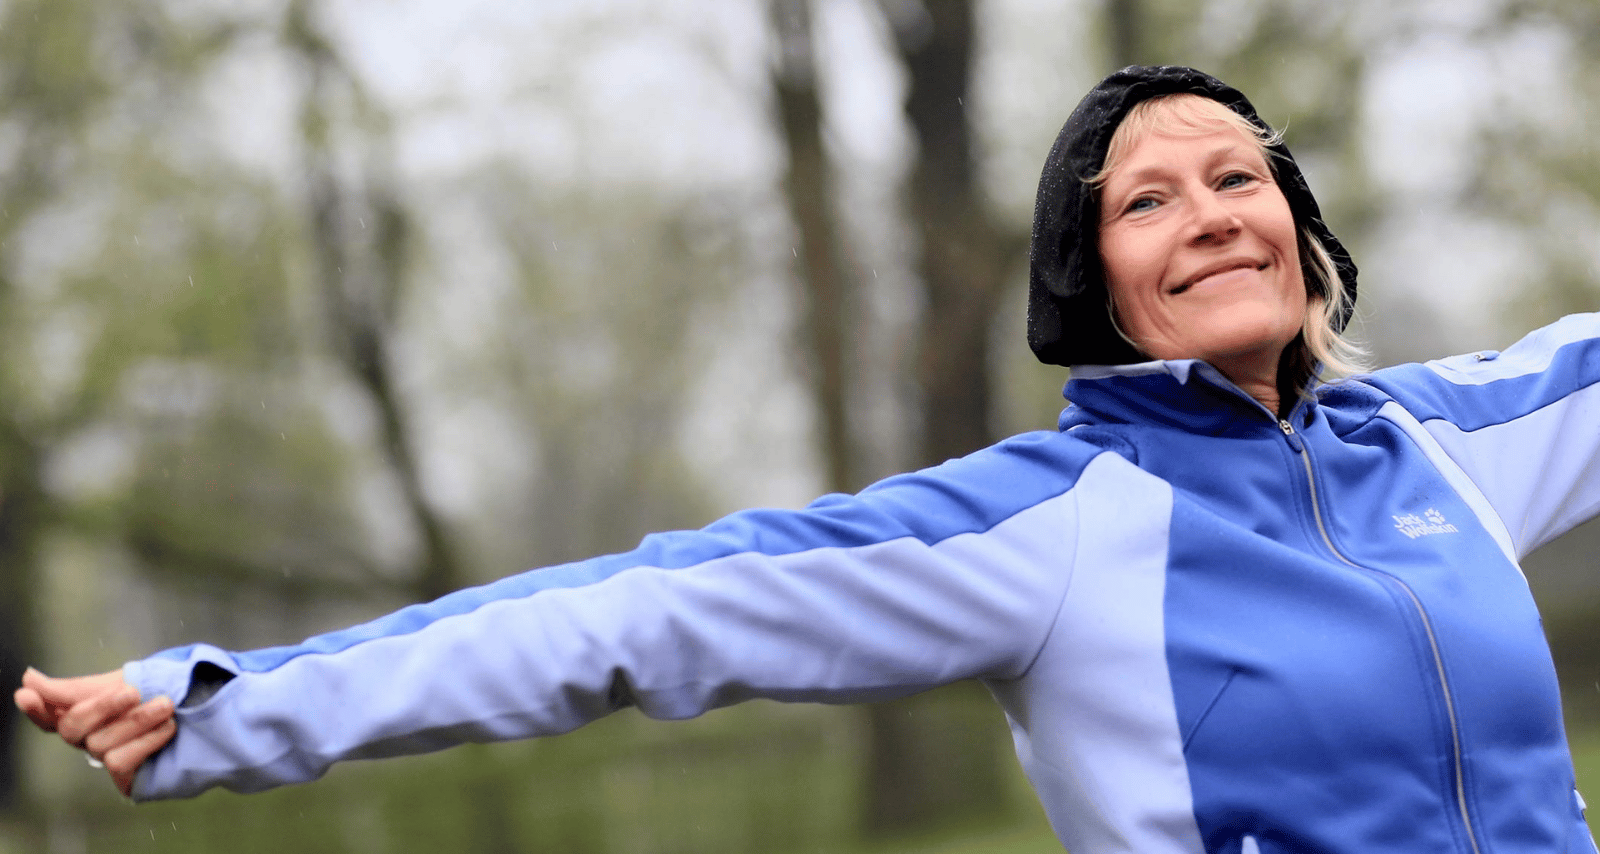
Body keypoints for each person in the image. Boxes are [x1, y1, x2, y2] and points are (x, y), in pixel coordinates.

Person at [16, 64, 1600, 853]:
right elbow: (635, 614)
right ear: (1096, 289)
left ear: (1299, 230)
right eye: (1147, 200)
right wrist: (232, 699)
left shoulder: (1444, 442)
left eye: (1239, 178)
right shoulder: (1054, 526)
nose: (1210, 215)